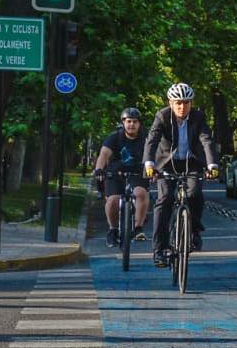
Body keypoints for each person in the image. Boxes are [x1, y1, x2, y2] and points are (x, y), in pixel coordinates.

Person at [143, 83, 220, 267]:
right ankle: (159, 250)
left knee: (194, 194)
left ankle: (193, 232)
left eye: (186, 103)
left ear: (191, 103)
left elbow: (206, 140)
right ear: (170, 102)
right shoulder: (162, 116)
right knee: (165, 200)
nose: (182, 107)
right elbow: (151, 141)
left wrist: (212, 165)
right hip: (166, 164)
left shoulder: (198, 117)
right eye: (178, 103)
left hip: (192, 162)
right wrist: (149, 164)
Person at [92, 107, 150, 246]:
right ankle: (112, 230)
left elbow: (156, 154)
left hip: (138, 173)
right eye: (128, 121)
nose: (131, 124)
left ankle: (138, 228)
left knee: (141, 193)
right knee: (112, 201)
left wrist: (156, 169)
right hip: (115, 174)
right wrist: (99, 169)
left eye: (135, 122)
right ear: (123, 123)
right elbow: (104, 155)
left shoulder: (146, 137)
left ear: (139, 124)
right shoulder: (114, 137)